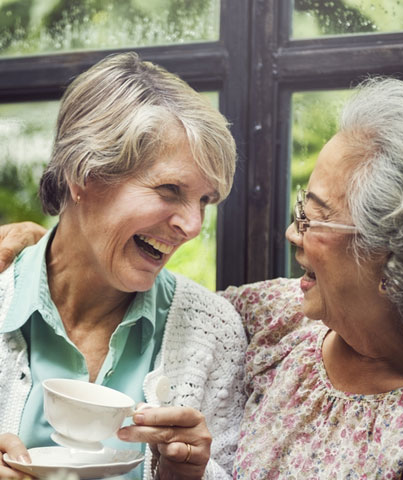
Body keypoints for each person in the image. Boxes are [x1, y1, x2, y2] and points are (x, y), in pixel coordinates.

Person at [4, 77, 403, 479]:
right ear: (83, 174)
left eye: (313, 218)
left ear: (395, 262)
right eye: (170, 190)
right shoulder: (282, 320)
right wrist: (35, 246)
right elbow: (73, 260)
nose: (292, 232)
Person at [0, 52, 247, 480]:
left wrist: (189, 475)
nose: (191, 226)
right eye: (170, 189)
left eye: (205, 201)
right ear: (84, 174)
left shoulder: (212, 330)